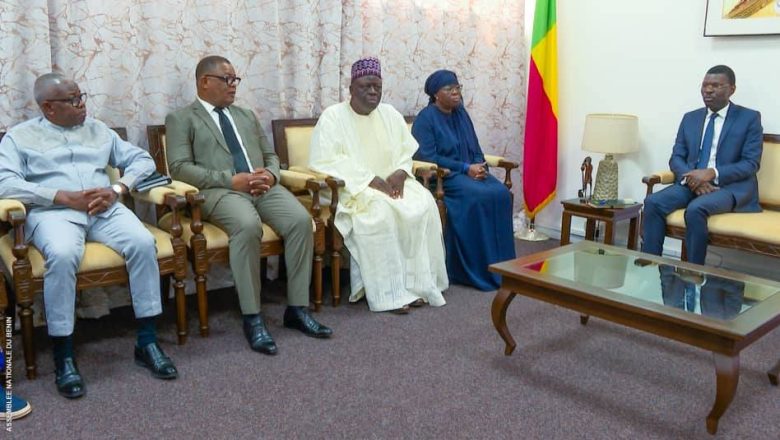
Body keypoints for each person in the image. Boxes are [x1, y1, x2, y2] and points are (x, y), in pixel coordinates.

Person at [0, 73, 178, 399]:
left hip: (104, 208)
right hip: (54, 212)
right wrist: (61, 196)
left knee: (142, 243)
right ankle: (64, 355)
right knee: (64, 254)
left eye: (82, 96)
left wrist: (116, 188)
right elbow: (5, 184)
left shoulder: (98, 129)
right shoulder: (19, 137)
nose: (82, 105)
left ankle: (147, 342)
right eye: (73, 100)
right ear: (48, 107)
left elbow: (142, 160)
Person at [165, 55, 332, 355]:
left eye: (235, 80)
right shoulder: (182, 119)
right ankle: (252, 317)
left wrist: (269, 173)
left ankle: (297, 308)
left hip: (262, 186)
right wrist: (230, 180)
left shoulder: (245, 115)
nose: (233, 86)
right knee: (247, 225)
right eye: (226, 80)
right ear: (205, 82)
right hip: (219, 191)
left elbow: (270, 156)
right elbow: (179, 168)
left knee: (300, 221)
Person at [309, 57, 448, 314]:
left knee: (423, 204)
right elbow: (325, 160)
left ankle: (416, 286)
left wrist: (400, 172)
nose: (373, 92)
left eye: (377, 87)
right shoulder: (333, 117)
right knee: (380, 214)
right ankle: (389, 293)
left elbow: (406, 152)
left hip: (391, 183)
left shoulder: (390, 114)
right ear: (351, 89)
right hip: (351, 189)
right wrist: (368, 180)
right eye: (365, 86)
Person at [641, 65, 763, 265]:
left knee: (696, 209)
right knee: (653, 202)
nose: (708, 90)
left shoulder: (749, 118)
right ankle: (648, 265)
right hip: (691, 182)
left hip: (729, 187)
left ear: (731, 89)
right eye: (705, 85)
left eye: (716, 85)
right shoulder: (691, 118)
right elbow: (676, 158)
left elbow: (751, 164)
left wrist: (710, 173)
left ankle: (694, 272)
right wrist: (693, 179)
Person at [411, 69, 516, 291]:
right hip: (445, 177)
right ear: (436, 94)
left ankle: (506, 268)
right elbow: (427, 157)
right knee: (480, 196)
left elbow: (475, 148)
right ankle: (474, 270)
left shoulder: (461, 114)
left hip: (469, 172)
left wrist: (479, 167)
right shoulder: (426, 118)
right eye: (449, 89)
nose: (456, 93)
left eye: (458, 88)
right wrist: (465, 168)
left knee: (501, 194)